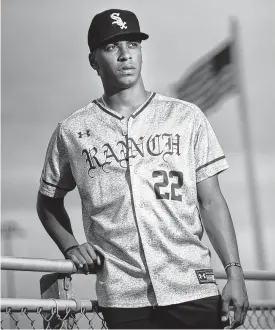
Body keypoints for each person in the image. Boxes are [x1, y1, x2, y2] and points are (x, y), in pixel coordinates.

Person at [37, 8, 249, 329]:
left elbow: (211, 201)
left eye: (133, 44)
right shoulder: (72, 130)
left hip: (192, 285)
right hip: (123, 295)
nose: (125, 55)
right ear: (94, 60)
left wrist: (234, 273)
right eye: (111, 47)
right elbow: (48, 200)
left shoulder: (185, 116)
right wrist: (70, 244)